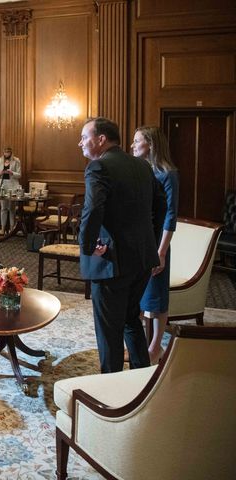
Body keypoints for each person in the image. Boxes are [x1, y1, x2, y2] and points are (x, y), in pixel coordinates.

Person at [77, 117, 166, 374]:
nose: (80, 142)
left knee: (109, 331)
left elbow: (92, 210)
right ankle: (142, 376)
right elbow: (161, 207)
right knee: (130, 320)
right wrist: (150, 239)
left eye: (85, 137)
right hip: (142, 258)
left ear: (101, 139)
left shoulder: (98, 168)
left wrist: (86, 246)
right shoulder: (142, 166)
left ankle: (111, 389)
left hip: (112, 262)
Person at [132, 125, 179, 365]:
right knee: (136, 294)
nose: (132, 145)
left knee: (157, 295)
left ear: (149, 144)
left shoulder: (167, 174)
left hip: (156, 242)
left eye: (137, 141)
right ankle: (137, 344)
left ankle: (155, 347)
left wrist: (161, 252)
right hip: (139, 240)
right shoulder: (140, 171)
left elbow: (171, 216)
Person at [0, 147, 22, 232]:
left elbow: (19, 175)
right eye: (5, 152)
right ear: (3, 152)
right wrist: (0, 173)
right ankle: (3, 228)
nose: (7, 153)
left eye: (8, 152)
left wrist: (12, 172)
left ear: (11, 152)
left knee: (11, 208)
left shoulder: (16, 160)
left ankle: (12, 228)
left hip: (13, 186)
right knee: (3, 208)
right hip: (3, 185)